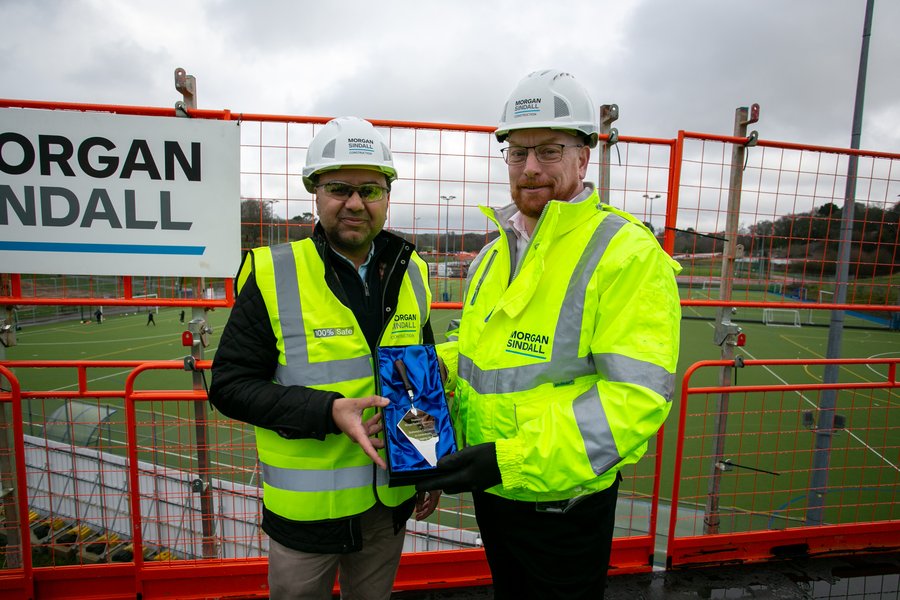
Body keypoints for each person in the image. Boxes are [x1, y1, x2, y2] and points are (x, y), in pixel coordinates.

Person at [418, 70, 682, 599]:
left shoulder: (626, 254)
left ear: (583, 158)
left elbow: (634, 400)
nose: (530, 167)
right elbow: (481, 353)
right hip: (493, 488)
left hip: (562, 503)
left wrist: (507, 459)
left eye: (549, 151)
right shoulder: (494, 254)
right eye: (517, 152)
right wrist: (429, 364)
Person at [209, 116, 441, 600]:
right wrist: (328, 411)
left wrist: (427, 465)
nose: (356, 203)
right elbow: (229, 387)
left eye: (371, 190)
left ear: (386, 196)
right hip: (308, 517)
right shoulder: (273, 272)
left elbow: (422, 380)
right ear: (315, 191)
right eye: (339, 188)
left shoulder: (412, 271)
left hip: (388, 502)